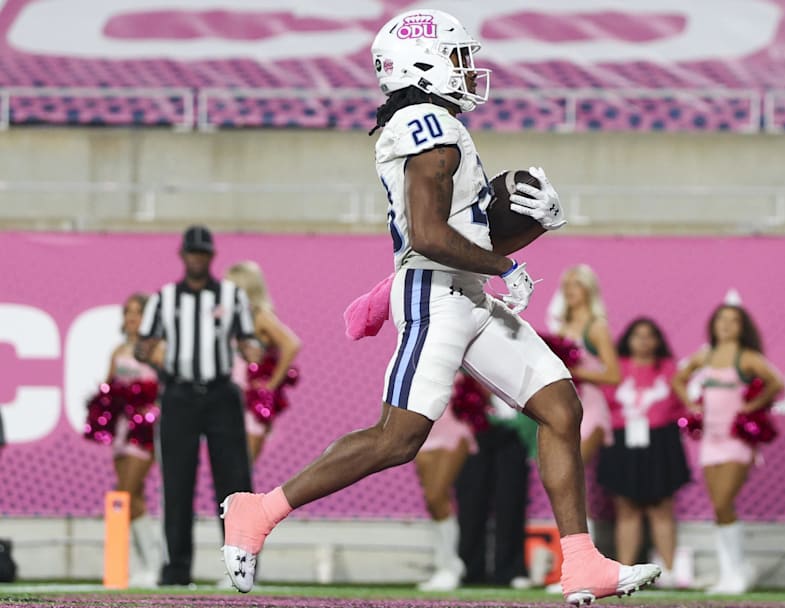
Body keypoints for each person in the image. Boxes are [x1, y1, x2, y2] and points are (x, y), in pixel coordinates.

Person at [219, 11, 659, 605]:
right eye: (455, 57)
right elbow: (427, 235)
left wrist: (534, 227)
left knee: (559, 407)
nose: (467, 68)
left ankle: (581, 562)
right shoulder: (424, 122)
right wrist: (505, 267)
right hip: (435, 295)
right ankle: (257, 512)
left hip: (465, 292)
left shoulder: (438, 122)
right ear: (420, 65)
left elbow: (472, 238)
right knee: (397, 439)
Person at [135, 225, 257, 586]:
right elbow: (143, 342)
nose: (198, 259)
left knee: (235, 485)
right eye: (193, 253)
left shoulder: (233, 296)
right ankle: (176, 570)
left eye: (203, 253)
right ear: (183, 256)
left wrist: (254, 352)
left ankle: (241, 568)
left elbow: (251, 339)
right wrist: (155, 360)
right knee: (176, 482)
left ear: (211, 257)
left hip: (221, 394)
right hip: (179, 394)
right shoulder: (164, 298)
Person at [672, 305, 784, 595]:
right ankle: (730, 572)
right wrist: (692, 403)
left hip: (737, 439)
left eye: (733, 321)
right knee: (719, 508)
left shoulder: (746, 357)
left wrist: (752, 406)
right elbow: (678, 379)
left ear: (742, 326)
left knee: (723, 503)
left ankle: (738, 570)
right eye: (721, 319)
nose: (726, 325)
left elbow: (776, 382)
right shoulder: (705, 355)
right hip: (711, 439)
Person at [596, 318, 690, 586]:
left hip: (661, 441)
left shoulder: (671, 369)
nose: (644, 341)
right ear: (628, 340)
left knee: (662, 507)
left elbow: (682, 403)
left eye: (650, 336)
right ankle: (626, 573)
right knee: (626, 509)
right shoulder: (616, 369)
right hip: (623, 440)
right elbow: (603, 403)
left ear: (659, 341)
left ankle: (669, 572)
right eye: (638, 336)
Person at [102, 293, 162, 587]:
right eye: (128, 312)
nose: (132, 318)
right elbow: (109, 390)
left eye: (138, 312)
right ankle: (147, 565)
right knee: (133, 496)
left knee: (123, 493)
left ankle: (146, 563)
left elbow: (166, 388)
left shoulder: (157, 350)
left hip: (146, 429)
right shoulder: (118, 351)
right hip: (123, 430)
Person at [455, 389, 535, 589]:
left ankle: (511, 570)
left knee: (511, 502)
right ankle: (469, 569)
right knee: (471, 501)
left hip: (514, 430)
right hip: (472, 426)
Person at [225, 261, 302, 464]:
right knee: (226, 467)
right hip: (230, 398)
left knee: (241, 469)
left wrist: (271, 385)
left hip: (251, 403)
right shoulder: (232, 317)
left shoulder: (260, 316)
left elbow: (292, 344)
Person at [547, 265, 621, 468]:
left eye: (576, 285)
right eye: (566, 285)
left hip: (590, 407)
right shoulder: (561, 328)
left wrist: (577, 373)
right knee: (562, 474)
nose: (569, 290)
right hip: (566, 406)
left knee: (572, 469)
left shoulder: (597, 327)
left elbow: (614, 375)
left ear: (588, 289)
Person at [414, 396, 476, 592]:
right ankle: (445, 565)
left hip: (455, 426)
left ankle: (450, 566)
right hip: (425, 429)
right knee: (432, 502)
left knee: (437, 495)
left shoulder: (468, 367)